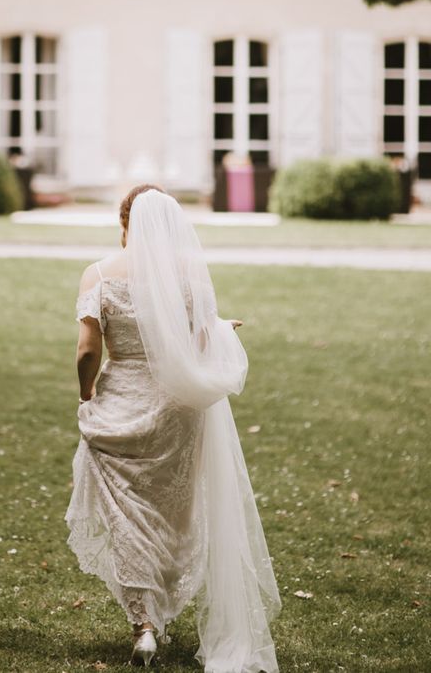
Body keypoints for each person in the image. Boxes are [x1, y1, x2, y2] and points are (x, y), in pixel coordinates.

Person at [65, 185, 280, 670]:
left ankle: (144, 624)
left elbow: (86, 351)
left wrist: (86, 393)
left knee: (130, 513)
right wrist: (222, 327)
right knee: (173, 514)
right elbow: (198, 342)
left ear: (125, 224)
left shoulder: (98, 274)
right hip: (178, 408)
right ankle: (156, 610)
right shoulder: (189, 279)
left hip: (121, 404)